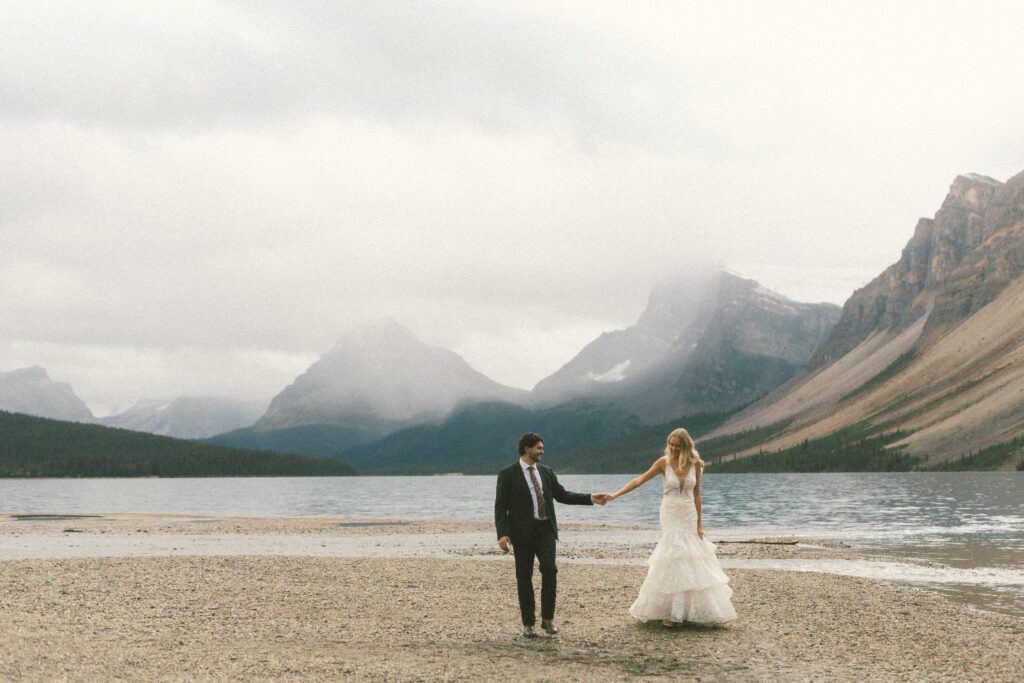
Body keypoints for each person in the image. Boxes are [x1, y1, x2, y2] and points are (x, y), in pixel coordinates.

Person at [600, 427, 736, 626]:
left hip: (688, 513)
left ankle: (690, 611)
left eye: (677, 446)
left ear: (686, 447)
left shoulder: (696, 464)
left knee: (691, 557)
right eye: (671, 445)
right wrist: (614, 495)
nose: (672, 449)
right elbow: (639, 480)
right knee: (673, 555)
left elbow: (697, 494)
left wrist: (699, 523)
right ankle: (673, 613)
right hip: (670, 513)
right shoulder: (663, 463)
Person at [495, 432, 609, 637]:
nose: (542, 451)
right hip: (521, 534)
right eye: (538, 448)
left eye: (542, 448)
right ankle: (528, 624)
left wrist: (591, 498)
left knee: (550, 570)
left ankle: (548, 620)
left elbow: (563, 495)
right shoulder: (508, 473)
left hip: (545, 530)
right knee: (524, 577)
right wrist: (502, 534)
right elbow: (500, 506)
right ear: (526, 449)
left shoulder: (546, 472)